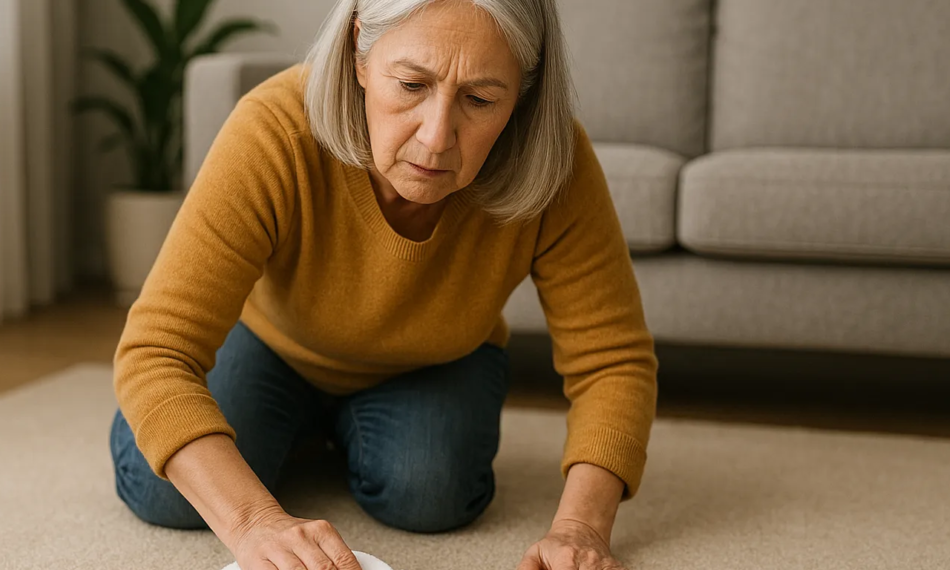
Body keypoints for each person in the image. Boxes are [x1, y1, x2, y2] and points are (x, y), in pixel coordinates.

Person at [109, 0, 657, 569]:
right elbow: (157, 350)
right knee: (168, 494)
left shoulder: (554, 160)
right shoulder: (274, 127)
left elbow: (613, 360)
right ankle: (302, 428)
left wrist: (581, 528)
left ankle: (321, 435)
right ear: (358, 54)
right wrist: (254, 521)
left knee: (433, 496)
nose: (438, 135)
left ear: (523, 92)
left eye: (481, 99)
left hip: (434, 360)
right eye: (412, 84)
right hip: (273, 344)